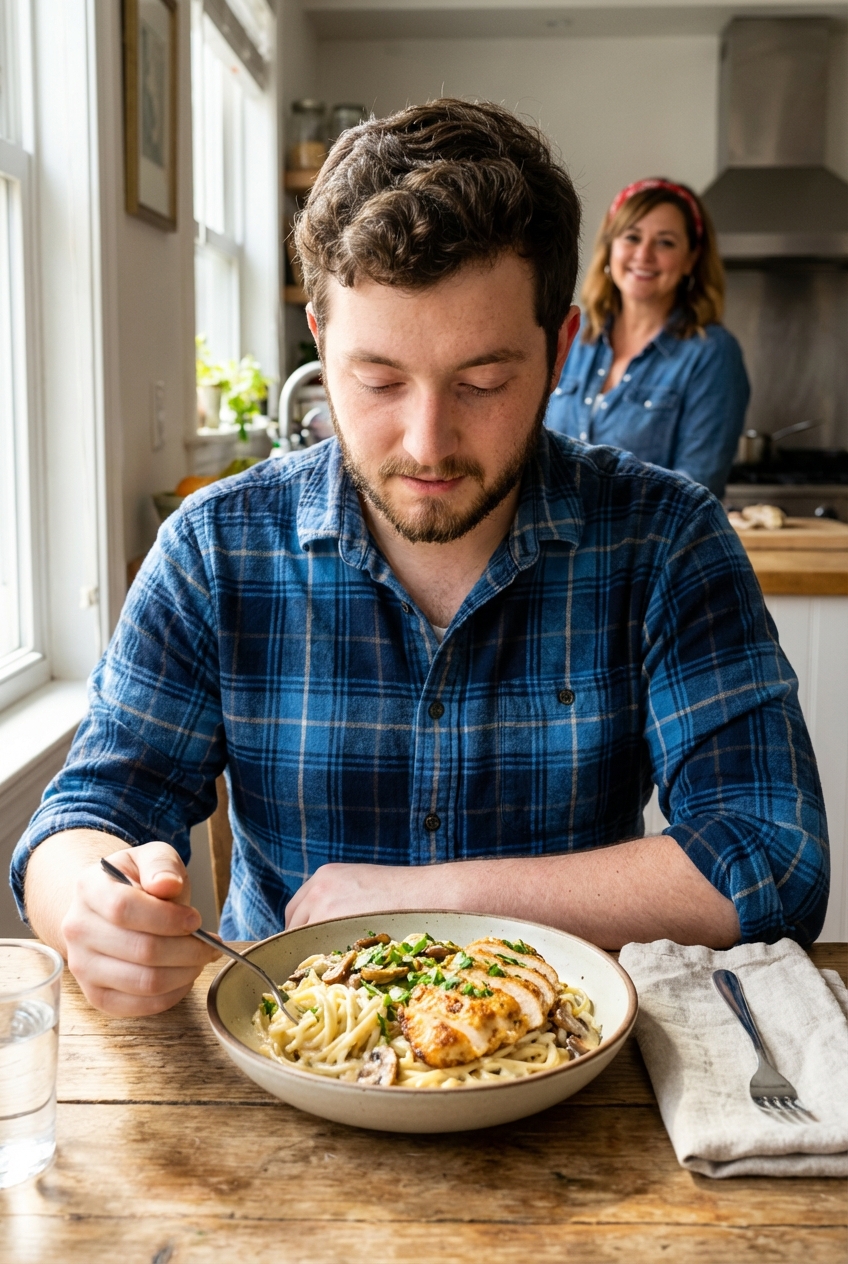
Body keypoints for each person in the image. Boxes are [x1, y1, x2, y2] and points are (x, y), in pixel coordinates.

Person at [13, 102, 827, 1018]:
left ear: (556, 350)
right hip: (280, 1056)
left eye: (483, 382)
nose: (428, 442)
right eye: (380, 380)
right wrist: (91, 904)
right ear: (321, 340)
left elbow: (773, 855)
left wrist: (435, 896)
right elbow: (82, 820)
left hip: (561, 1055)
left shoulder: (666, 538)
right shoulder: (215, 546)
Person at [545, 178, 749, 497]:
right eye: (632, 237)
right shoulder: (573, 337)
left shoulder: (712, 353)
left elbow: (696, 488)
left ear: (691, 259)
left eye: (665, 242)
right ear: (610, 247)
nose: (644, 254)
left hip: (649, 547)